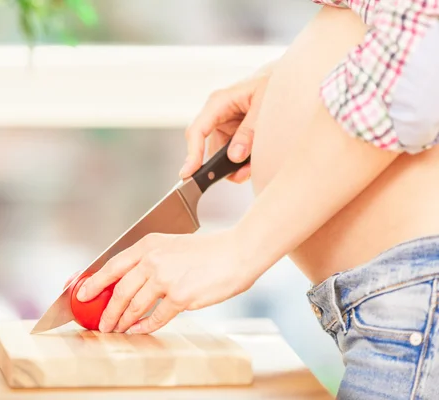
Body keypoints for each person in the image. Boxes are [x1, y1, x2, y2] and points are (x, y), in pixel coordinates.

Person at [72, 2, 439, 398]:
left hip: (416, 299)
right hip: (404, 302)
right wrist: (290, 80)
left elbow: (420, 52)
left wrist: (241, 247)